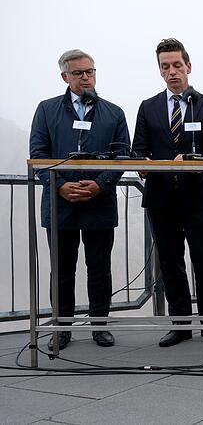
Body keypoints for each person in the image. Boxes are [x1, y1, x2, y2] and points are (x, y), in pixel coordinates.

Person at [29, 49, 131, 350]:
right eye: (78, 73)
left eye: (90, 72)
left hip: (99, 201)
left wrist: (101, 184)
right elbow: (38, 155)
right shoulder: (47, 110)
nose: (86, 78)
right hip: (60, 204)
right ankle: (62, 329)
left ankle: (100, 326)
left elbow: (122, 155)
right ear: (65, 76)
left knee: (99, 268)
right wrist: (60, 186)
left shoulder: (114, 113)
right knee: (62, 270)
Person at [132, 38, 203, 347]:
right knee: (170, 262)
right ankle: (180, 325)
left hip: (197, 198)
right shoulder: (147, 108)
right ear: (159, 71)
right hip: (161, 199)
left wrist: (193, 162)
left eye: (177, 65)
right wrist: (143, 165)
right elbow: (137, 152)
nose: (172, 71)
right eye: (165, 67)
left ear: (188, 66)